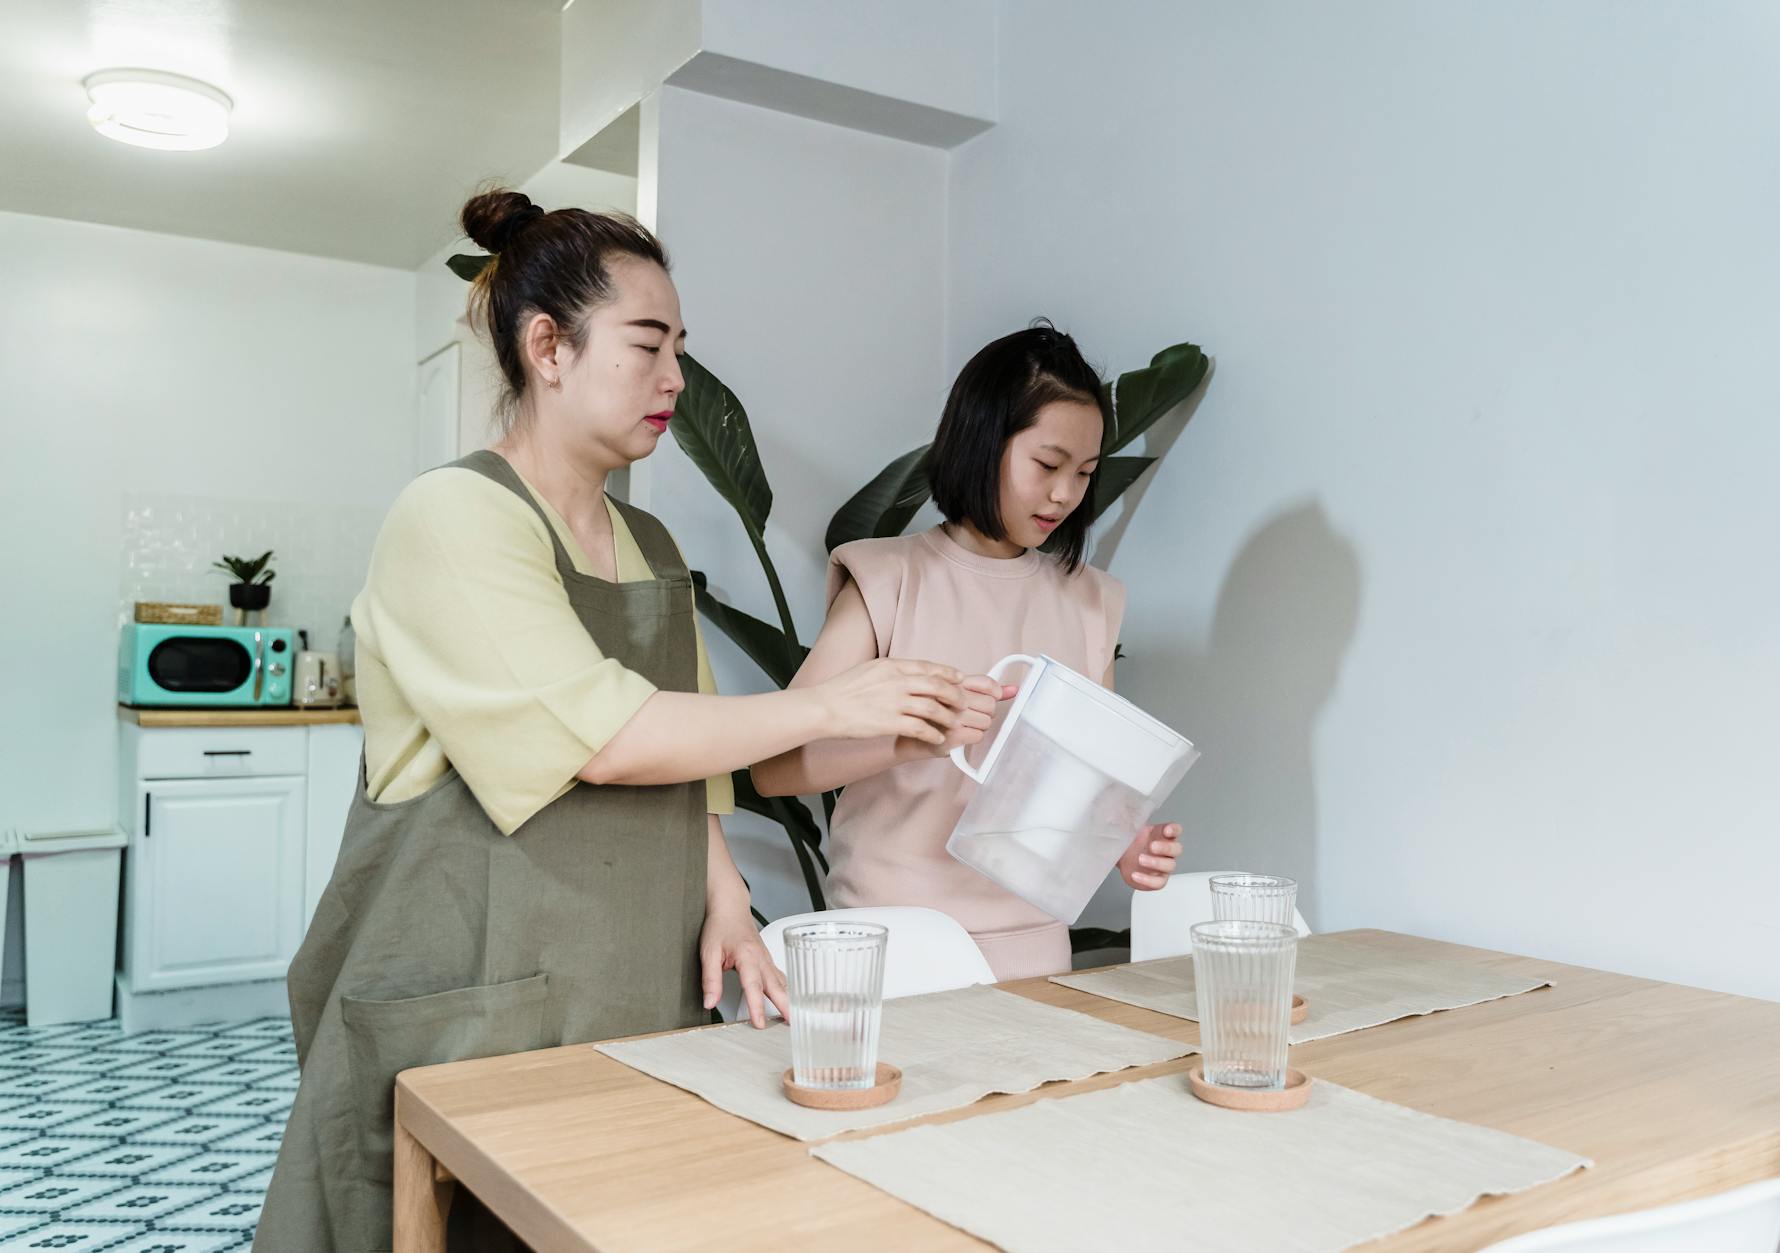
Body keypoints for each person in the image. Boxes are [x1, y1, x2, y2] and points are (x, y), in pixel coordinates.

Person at [255, 189, 992, 1252]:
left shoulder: (644, 541)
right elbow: (606, 736)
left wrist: (727, 895)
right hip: (467, 999)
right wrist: (837, 695)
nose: (676, 380)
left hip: (625, 983)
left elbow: (688, 746)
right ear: (546, 346)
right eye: (648, 346)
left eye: (679, 349)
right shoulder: (453, 515)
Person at [752, 323, 1184, 981]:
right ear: (984, 442)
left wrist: (1123, 842)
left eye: (1085, 473)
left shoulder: (1091, 603)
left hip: (1034, 955)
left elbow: (1090, 787)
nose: (1066, 494)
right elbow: (775, 766)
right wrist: (909, 738)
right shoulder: (887, 580)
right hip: (891, 949)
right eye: (1047, 465)